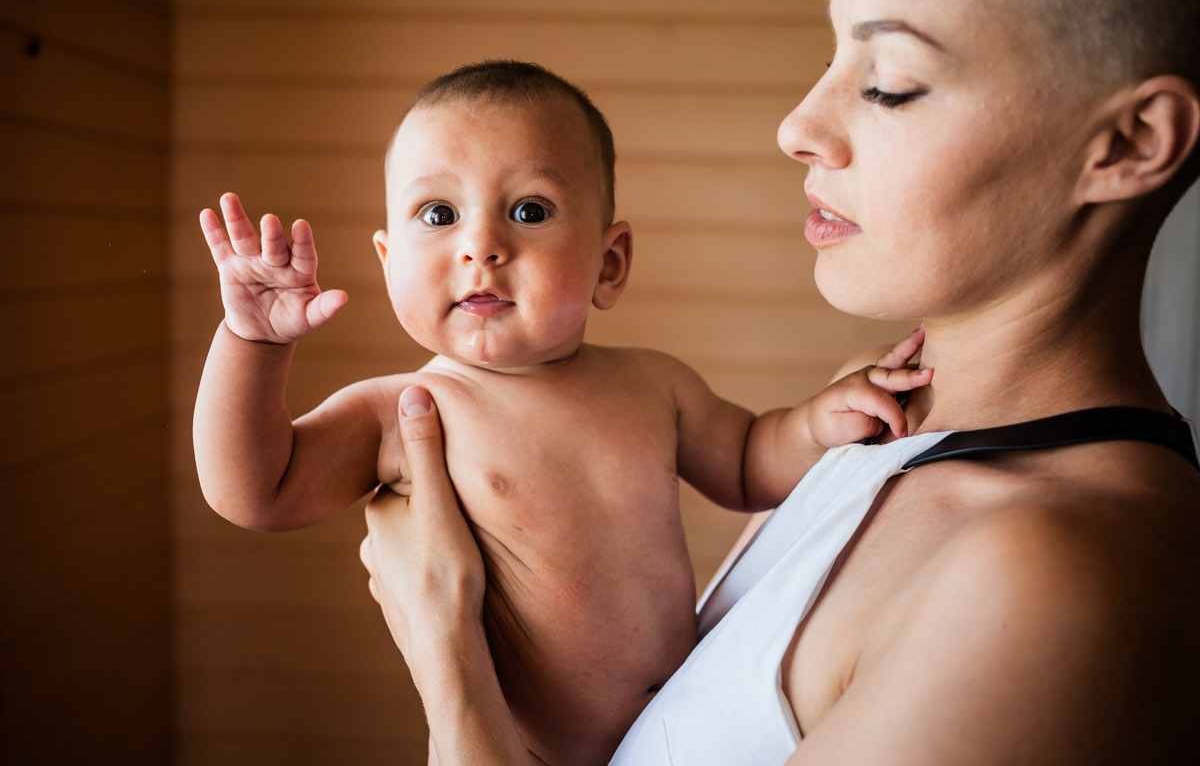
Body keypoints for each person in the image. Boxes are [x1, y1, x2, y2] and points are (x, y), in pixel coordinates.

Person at [357, 0, 1200, 763]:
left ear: (1127, 143)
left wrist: (448, 657)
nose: (797, 128)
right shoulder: (870, 422)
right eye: (828, 61)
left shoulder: (1045, 586)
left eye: (888, 84)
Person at [192, 61, 933, 765]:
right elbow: (258, 488)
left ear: (607, 264)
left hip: (678, 731)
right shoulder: (409, 410)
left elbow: (746, 462)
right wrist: (252, 344)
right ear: (388, 262)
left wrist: (817, 423)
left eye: (529, 210)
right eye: (439, 213)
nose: (481, 246)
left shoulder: (653, 385)